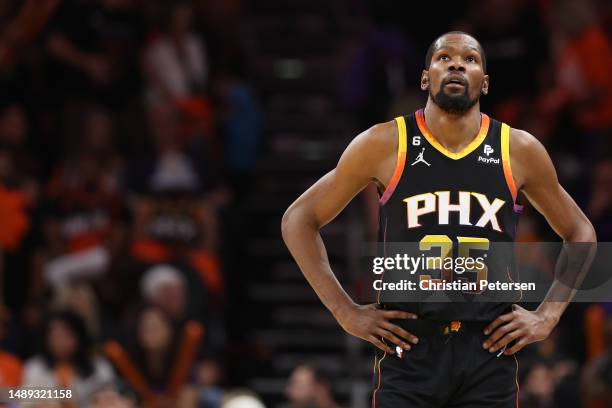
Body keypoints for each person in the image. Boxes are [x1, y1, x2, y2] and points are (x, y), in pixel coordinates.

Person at [281, 31, 596, 407]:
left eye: (471, 59)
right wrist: (343, 311)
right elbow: (299, 218)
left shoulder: (518, 149)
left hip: (488, 347)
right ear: (425, 77)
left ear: (485, 81)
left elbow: (581, 231)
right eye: (444, 57)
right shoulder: (384, 143)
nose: (457, 64)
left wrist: (548, 316)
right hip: (411, 346)